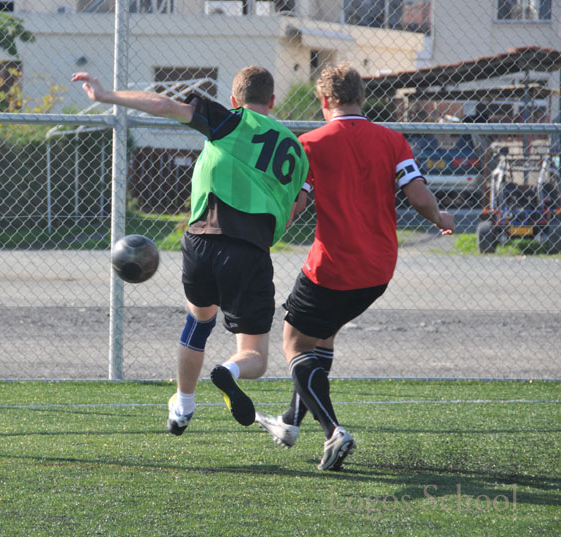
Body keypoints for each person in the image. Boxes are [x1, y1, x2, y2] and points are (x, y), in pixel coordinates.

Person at [72, 67, 308, 435]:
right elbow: (295, 208)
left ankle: (183, 406)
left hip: (201, 240)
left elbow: (163, 104)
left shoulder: (231, 120)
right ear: (273, 101)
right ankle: (228, 371)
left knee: (199, 319)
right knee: (255, 357)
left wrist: (106, 96)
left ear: (235, 100)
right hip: (250, 251)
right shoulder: (297, 150)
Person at [254, 63, 455, 470]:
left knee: (294, 342)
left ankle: (333, 432)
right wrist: (441, 219)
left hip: (331, 268)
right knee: (322, 337)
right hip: (378, 270)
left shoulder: (309, 143)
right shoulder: (392, 140)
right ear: (363, 98)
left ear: (324, 100)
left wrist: (264, 231)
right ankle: (292, 421)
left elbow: (297, 203)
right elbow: (418, 196)